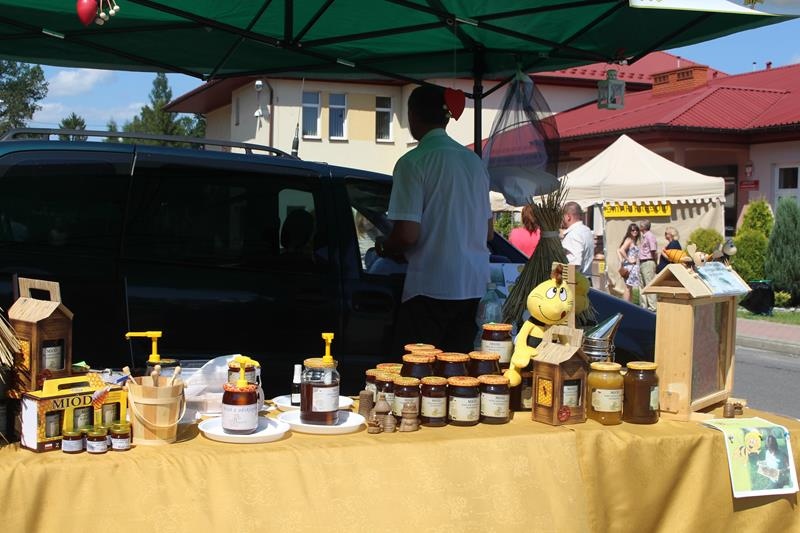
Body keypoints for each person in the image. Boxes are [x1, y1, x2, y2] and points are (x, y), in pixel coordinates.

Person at [375, 84, 492, 355]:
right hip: (473, 285)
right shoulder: (475, 163)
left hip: (430, 286)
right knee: (458, 369)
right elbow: (488, 233)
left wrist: (383, 246)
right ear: (446, 117)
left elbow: (407, 235)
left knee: (419, 372)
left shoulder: (413, 162)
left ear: (412, 115)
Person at [561, 201, 594, 280]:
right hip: (586, 279)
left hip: (575, 281)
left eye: (563, 217)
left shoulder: (573, 234)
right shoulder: (587, 230)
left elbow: (575, 264)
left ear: (568, 216)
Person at [617, 223, 641, 303]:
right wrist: (628, 259)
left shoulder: (633, 240)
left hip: (632, 266)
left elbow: (618, 250)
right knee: (628, 288)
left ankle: (629, 305)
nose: (635, 231)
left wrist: (622, 260)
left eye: (636, 230)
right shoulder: (629, 240)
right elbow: (621, 250)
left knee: (630, 288)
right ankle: (626, 305)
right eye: (633, 230)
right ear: (629, 231)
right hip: (630, 267)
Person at [637, 219, 658, 311]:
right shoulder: (644, 236)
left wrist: (654, 262)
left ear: (643, 227)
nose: (639, 227)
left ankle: (652, 307)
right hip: (642, 262)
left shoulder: (650, 236)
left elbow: (653, 250)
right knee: (642, 285)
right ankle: (643, 306)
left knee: (649, 284)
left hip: (648, 261)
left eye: (640, 225)